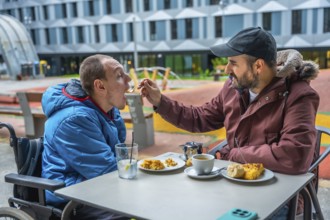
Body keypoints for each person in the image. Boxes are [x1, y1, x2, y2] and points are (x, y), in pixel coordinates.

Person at [139, 27, 319, 218]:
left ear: (258, 66)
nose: (226, 70)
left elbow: (295, 155)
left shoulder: (299, 96)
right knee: (183, 205)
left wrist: (236, 154)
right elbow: (201, 118)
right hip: (235, 182)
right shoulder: (233, 88)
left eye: (233, 63)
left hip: (282, 197)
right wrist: (160, 101)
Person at [41, 54, 131, 219]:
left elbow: (121, 156)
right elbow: (106, 172)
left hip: (92, 186)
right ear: (100, 86)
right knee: (129, 209)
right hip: (71, 196)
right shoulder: (74, 119)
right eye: (119, 76)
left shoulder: (107, 110)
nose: (129, 79)